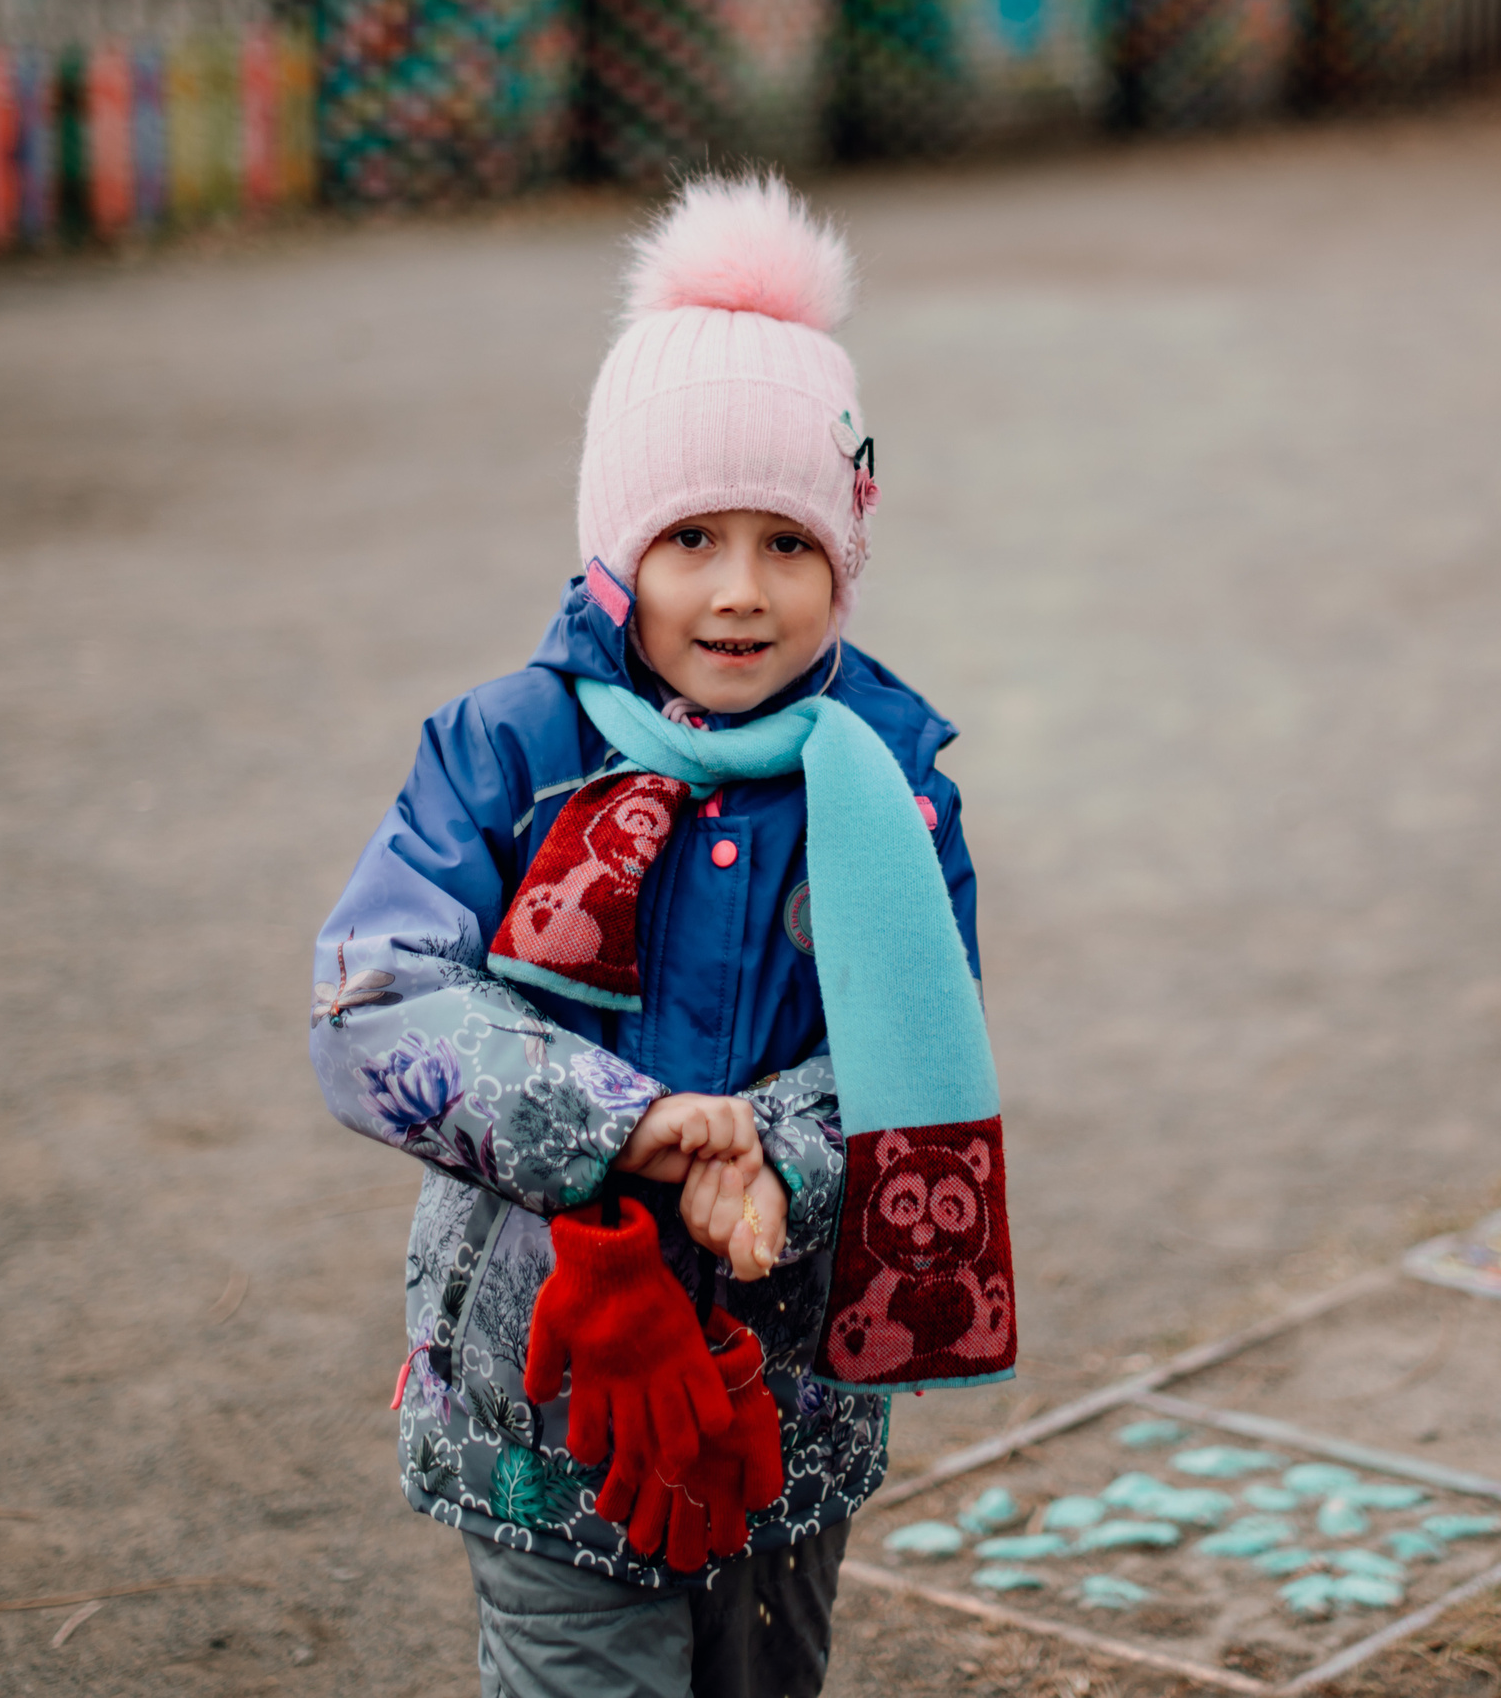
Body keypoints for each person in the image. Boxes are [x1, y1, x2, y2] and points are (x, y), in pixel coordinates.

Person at [309, 173, 1015, 1698]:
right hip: (543, 1375)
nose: (742, 592)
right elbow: (372, 1002)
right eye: (691, 537)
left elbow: (910, 1054)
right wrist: (635, 1131)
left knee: (761, 1670)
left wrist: (770, 1152)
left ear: (849, 552)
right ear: (616, 550)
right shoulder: (505, 752)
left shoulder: (887, 790)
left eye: (790, 542)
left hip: (790, 1378)